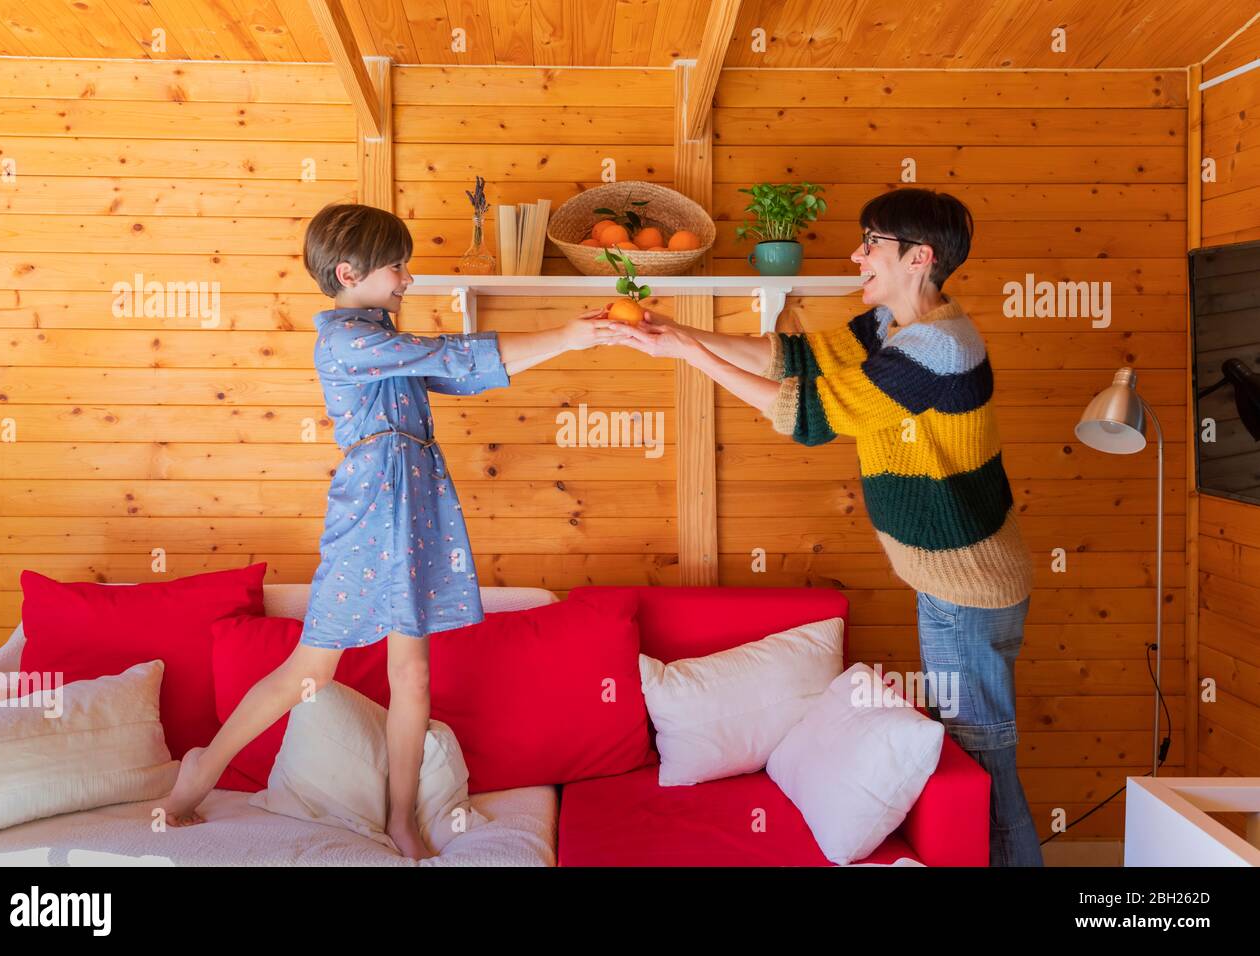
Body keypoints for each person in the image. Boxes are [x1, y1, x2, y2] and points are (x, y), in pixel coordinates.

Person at [154, 202, 625, 859]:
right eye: (397, 267)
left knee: (414, 675)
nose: (409, 278)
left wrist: (569, 340)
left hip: (416, 507)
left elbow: (462, 372)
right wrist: (568, 335)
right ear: (349, 272)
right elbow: (449, 354)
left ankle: (401, 817)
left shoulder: (384, 337)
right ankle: (199, 774)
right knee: (310, 669)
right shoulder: (348, 340)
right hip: (372, 505)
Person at [610, 187, 1043, 866]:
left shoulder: (937, 347)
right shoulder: (894, 329)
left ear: (918, 258)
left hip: (969, 590)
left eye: (872, 242)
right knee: (978, 753)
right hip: (955, 585)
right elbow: (796, 362)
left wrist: (686, 360)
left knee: (984, 759)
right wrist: (684, 334)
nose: (856, 254)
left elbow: (808, 414)